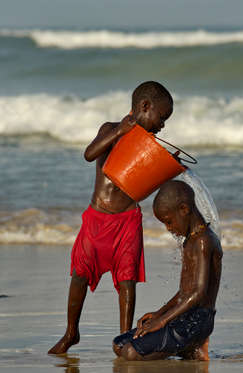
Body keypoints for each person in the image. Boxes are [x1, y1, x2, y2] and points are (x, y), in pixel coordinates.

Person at [48, 81, 173, 354]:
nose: (162, 125)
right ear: (144, 107)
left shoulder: (148, 145)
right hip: (97, 218)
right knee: (79, 273)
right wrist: (119, 131)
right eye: (161, 118)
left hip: (127, 221)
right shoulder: (109, 129)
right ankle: (71, 332)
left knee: (127, 281)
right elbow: (89, 154)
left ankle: (124, 337)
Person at [113, 180, 223, 361]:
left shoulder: (203, 241)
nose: (168, 228)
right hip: (183, 317)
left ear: (184, 209)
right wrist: (159, 313)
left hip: (197, 322)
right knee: (119, 344)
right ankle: (183, 349)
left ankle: (192, 345)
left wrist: (162, 321)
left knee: (130, 352)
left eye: (169, 222)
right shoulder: (190, 240)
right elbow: (185, 291)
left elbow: (198, 294)